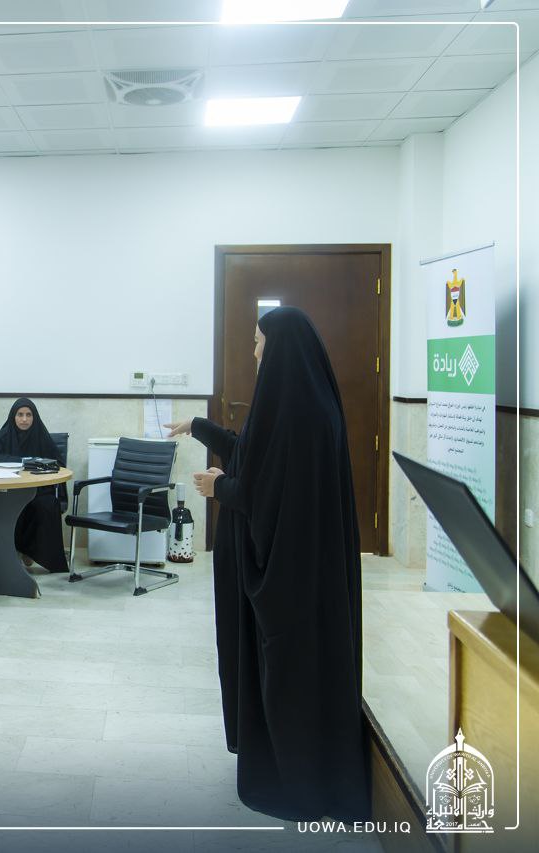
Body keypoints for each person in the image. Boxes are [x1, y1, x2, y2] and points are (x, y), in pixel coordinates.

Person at [166, 306, 368, 822]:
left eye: (259, 343)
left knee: (288, 678)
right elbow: (256, 458)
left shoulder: (301, 416)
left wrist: (222, 489)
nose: (255, 352)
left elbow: (272, 496)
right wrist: (200, 428)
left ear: (280, 349)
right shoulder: (299, 406)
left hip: (292, 583)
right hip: (299, 576)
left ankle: (293, 782)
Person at [0, 397, 68, 574]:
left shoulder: (41, 435)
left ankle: (32, 551)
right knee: (6, 505)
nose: (24, 419)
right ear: (13, 417)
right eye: (20, 415)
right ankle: (13, 551)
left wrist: (39, 464)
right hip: (11, 490)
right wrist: (21, 461)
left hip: (39, 491)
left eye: (28, 415)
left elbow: (59, 463)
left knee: (47, 505)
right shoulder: (5, 434)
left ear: (34, 417)